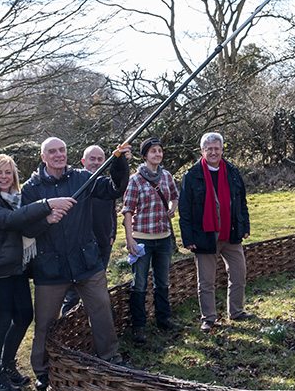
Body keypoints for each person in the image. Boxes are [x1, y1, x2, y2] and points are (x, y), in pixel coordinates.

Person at [21, 137, 131, 391]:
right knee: (45, 322)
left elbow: (115, 189)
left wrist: (119, 163)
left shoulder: (83, 178)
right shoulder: (32, 188)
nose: (59, 154)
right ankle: (43, 370)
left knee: (102, 310)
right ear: (43, 157)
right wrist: (46, 218)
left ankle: (110, 358)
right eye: (52, 151)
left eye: (62, 150)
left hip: (86, 261)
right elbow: (25, 225)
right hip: (51, 267)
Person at [0, 154, 75, 391]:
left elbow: (25, 228)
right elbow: (9, 221)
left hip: (16, 268)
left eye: (8, 172)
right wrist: (47, 204)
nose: (4, 177)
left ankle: (8, 365)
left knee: (24, 317)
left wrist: (46, 221)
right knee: (0, 324)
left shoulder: (15, 199)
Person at [179, 132, 253, 333]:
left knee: (239, 274)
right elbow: (184, 209)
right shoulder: (191, 175)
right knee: (206, 281)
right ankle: (208, 319)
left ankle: (236, 312)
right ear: (202, 151)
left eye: (216, 148)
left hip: (231, 232)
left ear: (221, 150)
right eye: (209, 149)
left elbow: (241, 201)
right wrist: (188, 238)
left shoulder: (232, 171)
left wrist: (244, 225)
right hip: (204, 235)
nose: (213, 152)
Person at [121, 137, 181, 344]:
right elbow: (127, 211)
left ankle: (163, 318)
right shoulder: (135, 180)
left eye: (160, 151)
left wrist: (173, 207)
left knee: (162, 281)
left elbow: (175, 196)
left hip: (164, 239)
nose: (158, 154)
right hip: (142, 239)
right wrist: (129, 239)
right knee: (139, 283)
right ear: (145, 155)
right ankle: (139, 326)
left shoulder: (166, 176)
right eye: (153, 151)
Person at [61, 144, 129, 316]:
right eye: (92, 159)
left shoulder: (106, 184)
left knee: (97, 287)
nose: (96, 163)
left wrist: (112, 233)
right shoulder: (75, 184)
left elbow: (112, 211)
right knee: (73, 293)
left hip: (103, 243)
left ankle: (95, 325)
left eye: (100, 159)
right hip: (78, 247)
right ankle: (67, 327)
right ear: (84, 161)